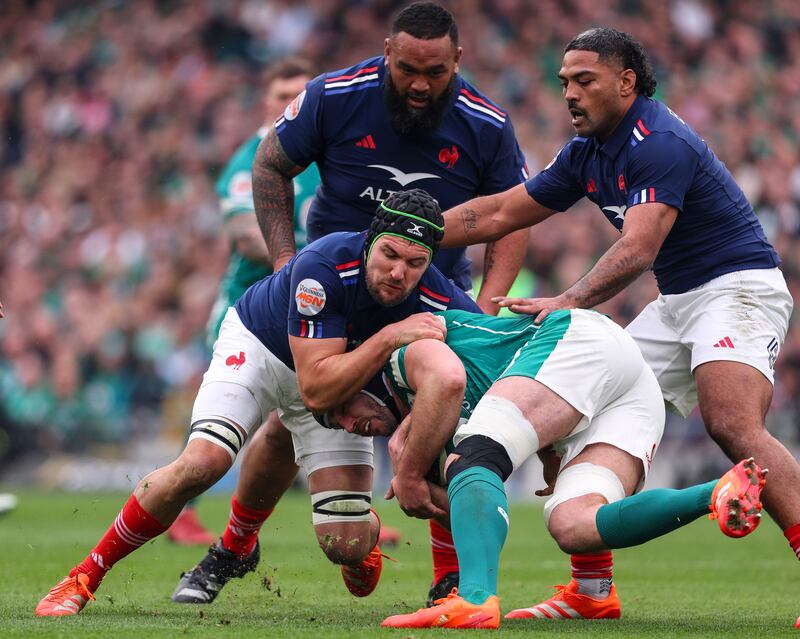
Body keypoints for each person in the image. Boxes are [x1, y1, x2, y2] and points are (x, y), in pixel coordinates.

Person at [436, 27, 798, 623]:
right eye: (564, 82)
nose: (569, 94)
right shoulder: (586, 151)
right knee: (583, 397)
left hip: (737, 287)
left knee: (732, 421)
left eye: (585, 80)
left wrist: (570, 298)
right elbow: (501, 211)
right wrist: (411, 229)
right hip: (678, 300)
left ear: (626, 82)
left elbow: (638, 248)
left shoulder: (659, 141)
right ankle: (592, 590)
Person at [190, 0, 530, 605]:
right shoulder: (335, 95)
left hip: (429, 298)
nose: (420, 85)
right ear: (386, 53)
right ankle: (237, 544)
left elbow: (511, 214)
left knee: (446, 423)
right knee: (287, 423)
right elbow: (271, 165)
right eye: (408, 70)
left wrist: (488, 302)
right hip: (335, 294)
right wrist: (286, 264)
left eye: (435, 72)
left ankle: (449, 579)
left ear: (457, 60)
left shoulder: (486, 124)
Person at [35, 189, 480, 617]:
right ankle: (84, 576)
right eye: (390, 255)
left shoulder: (440, 296)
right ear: (369, 241)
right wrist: (388, 338)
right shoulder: (323, 265)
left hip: (340, 379)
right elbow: (314, 391)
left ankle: (354, 532)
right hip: (262, 350)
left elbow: (486, 367)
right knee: (203, 462)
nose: (399, 272)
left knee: (347, 545)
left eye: (415, 263)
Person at [321, 309, 766, 628]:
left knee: (474, 456)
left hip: (580, 340)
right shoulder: (420, 411)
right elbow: (469, 494)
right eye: (334, 423)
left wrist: (410, 473)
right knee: (573, 523)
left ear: (363, 377)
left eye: (342, 406)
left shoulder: (403, 356)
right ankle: (712, 496)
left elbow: (450, 381)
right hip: (625, 386)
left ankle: (474, 599)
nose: (348, 424)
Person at [167, 58, 322, 547]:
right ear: (265, 102)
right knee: (225, 411)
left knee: (314, 403)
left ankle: (345, 512)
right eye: (281, 95)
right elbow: (245, 236)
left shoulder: (326, 156)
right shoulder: (250, 158)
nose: (290, 103)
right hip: (249, 310)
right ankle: (181, 512)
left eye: (300, 94)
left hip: (308, 305)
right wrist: (310, 258)